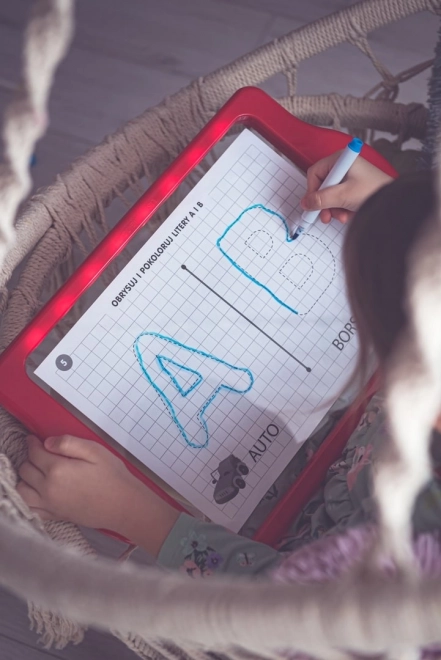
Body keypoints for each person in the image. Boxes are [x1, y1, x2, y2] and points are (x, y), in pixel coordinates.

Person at [16, 152, 437, 579]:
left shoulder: (407, 569)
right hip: (347, 449)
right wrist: (401, 212)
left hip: (277, 554)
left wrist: (126, 509)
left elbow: (277, 605)